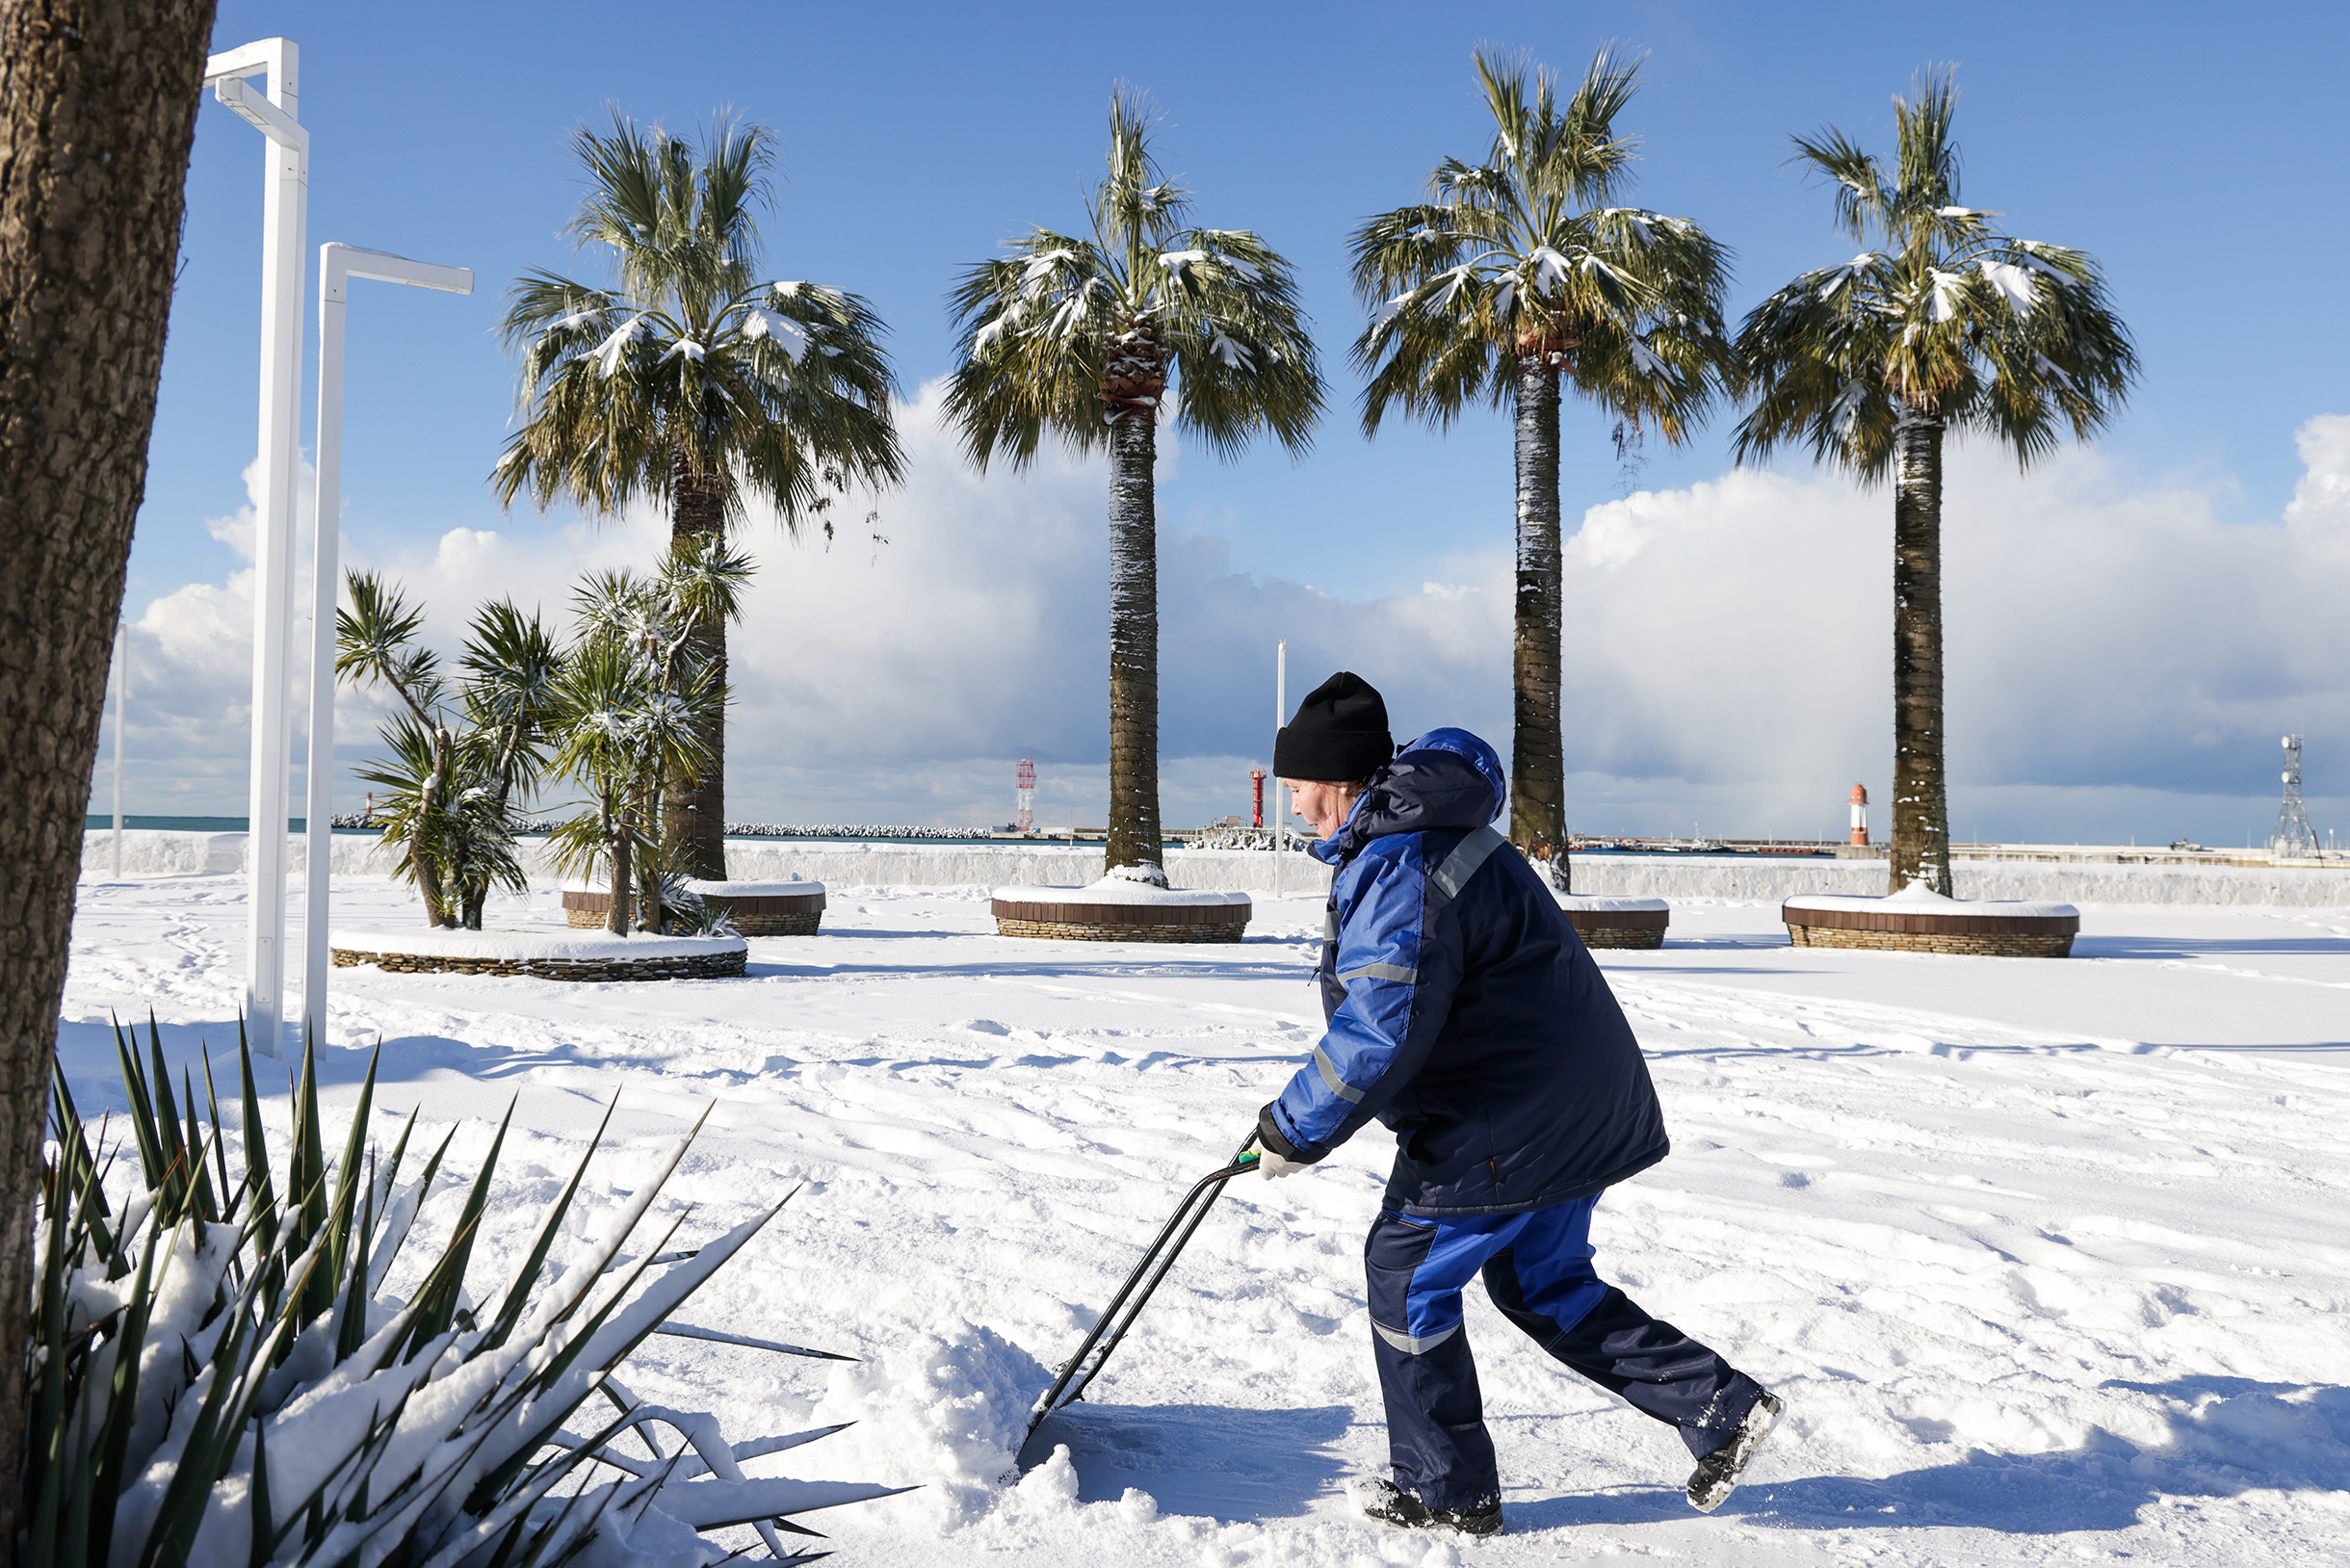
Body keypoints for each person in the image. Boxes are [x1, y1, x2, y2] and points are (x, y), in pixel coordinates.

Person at [1250, 671, 1782, 1537]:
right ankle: (1718, 1407)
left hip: (1511, 1116)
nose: (1295, 803)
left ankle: (1446, 1494)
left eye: (1298, 784)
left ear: (1339, 780)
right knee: (1542, 1282)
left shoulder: (1403, 860)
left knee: (1406, 1274)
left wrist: (1293, 1127)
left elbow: (1384, 1024)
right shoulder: (1422, 834)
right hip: (1573, 1105)